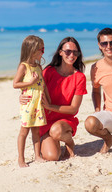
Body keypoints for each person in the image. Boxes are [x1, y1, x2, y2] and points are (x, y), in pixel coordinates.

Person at [20, 37, 87, 161]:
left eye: (75, 52)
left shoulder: (80, 77)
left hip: (64, 122)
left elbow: (73, 109)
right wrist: (22, 96)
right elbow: (34, 88)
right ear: (60, 52)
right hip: (44, 120)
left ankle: (69, 143)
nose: (71, 55)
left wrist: (50, 107)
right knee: (52, 156)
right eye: (67, 51)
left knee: (56, 130)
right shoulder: (48, 71)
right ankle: (47, 141)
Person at [13, 35, 48, 167]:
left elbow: (43, 85)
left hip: (38, 104)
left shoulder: (39, 67)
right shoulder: (24, 67)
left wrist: (48, 102)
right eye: (41, 49)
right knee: (24, 131)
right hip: (28, 104)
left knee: (36, 131)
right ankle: (21, 159)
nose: (43, 52)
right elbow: (15, 84)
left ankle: (37, 155)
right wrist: (30, 82)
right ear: (32, 50)